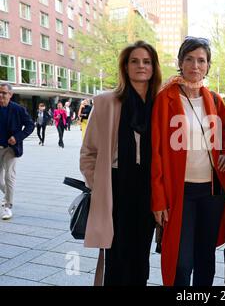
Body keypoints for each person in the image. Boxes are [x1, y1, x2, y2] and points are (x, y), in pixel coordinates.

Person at [151, 36, 225, 286]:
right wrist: (159, 198)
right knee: (181, 261)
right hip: (180, 192)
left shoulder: (216, 100)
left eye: (201, 60)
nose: (195, 66)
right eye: (189, 59)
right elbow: (156, 152)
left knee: (206, 259)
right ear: (180, 62)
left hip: (211, 192)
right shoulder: (166, 98)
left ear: (208, 65)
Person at [80, 40, 161, 286]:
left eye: (146, 62)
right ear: (125, 67)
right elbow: (88, 153)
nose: (141, 66)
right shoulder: (106, 103)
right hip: (116, 186)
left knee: (140, 255)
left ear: (154, 67)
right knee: (116, 254)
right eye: (134, 61)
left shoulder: (161, 104)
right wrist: (99, 185)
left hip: (148, 187)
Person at [0, 83, 35, 220]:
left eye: (4, 93)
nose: (1, 95)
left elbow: (30, 125)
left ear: (10, 94)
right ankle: (8, 193)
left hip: (11, 148)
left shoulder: (18, 109)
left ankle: (8, 206)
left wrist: (18, 137)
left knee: (9, 176)